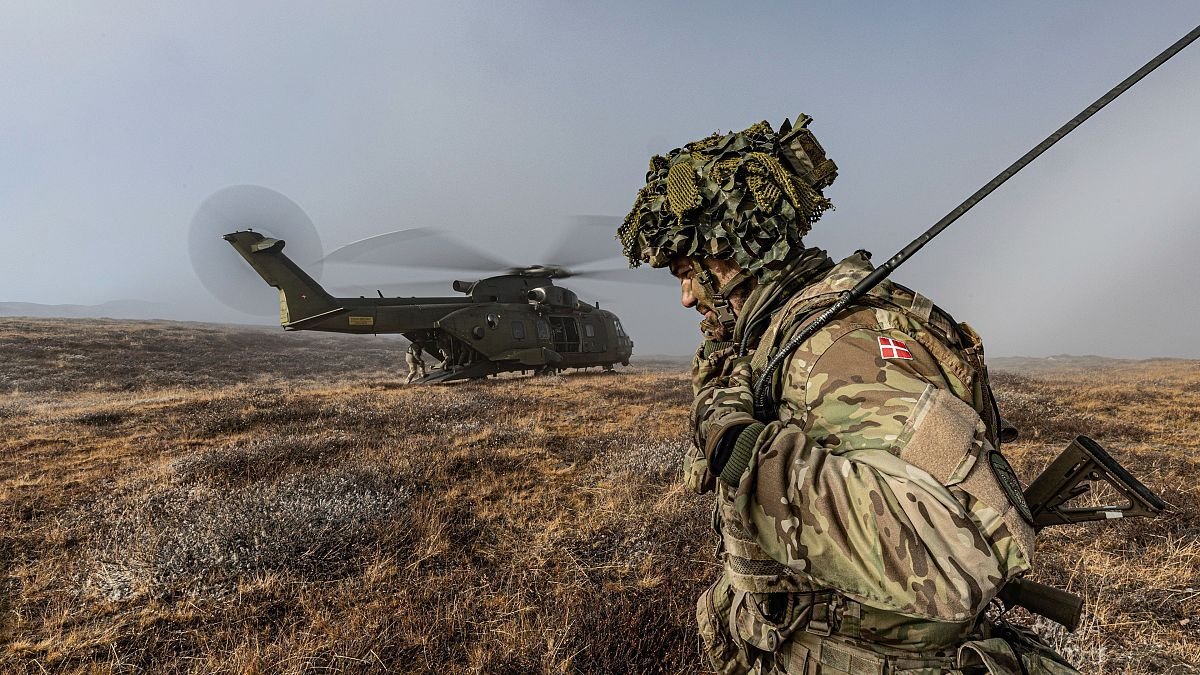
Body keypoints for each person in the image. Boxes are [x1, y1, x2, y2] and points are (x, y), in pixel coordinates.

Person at [618, 115, 1076, 674]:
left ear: (730, 253)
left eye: (685, 272)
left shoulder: (835, 351)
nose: (687, 298)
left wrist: (744, 452)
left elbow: (954, 556)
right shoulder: (787, 338)